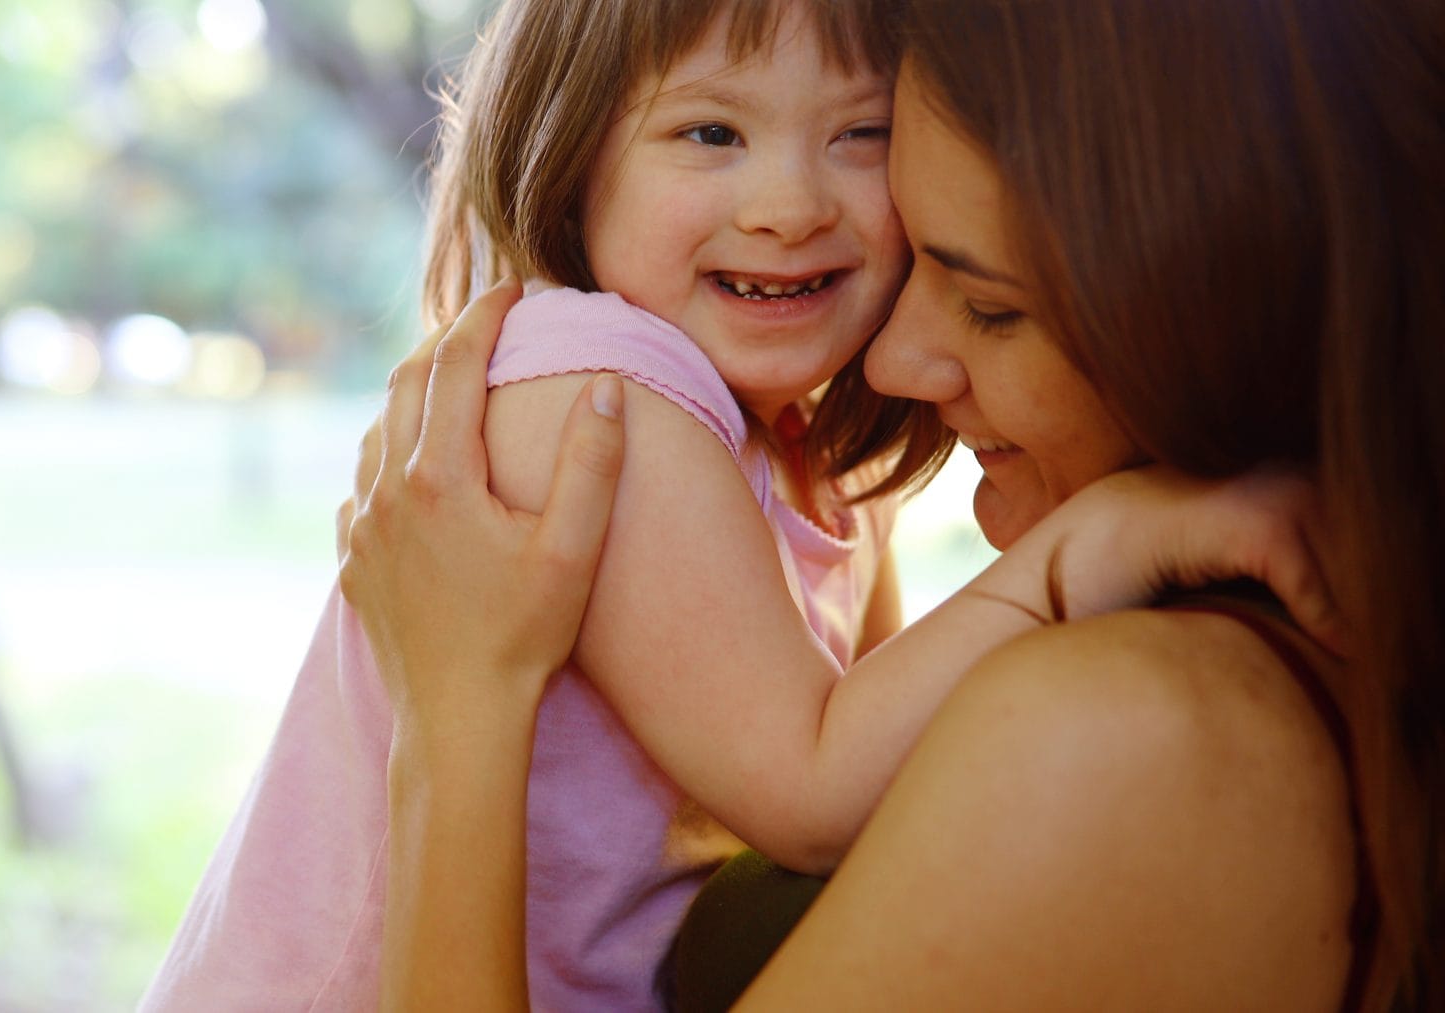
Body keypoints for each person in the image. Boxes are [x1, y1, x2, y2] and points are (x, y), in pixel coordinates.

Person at [340, 0, 1442, 1009]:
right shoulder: (596, 399)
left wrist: (457, 717)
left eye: (992, 304)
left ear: (1222, 308)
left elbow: (819, 772)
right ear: (567, 151)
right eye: (712, 133)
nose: (897, 359)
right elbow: (829, 770)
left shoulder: (1147, 733)